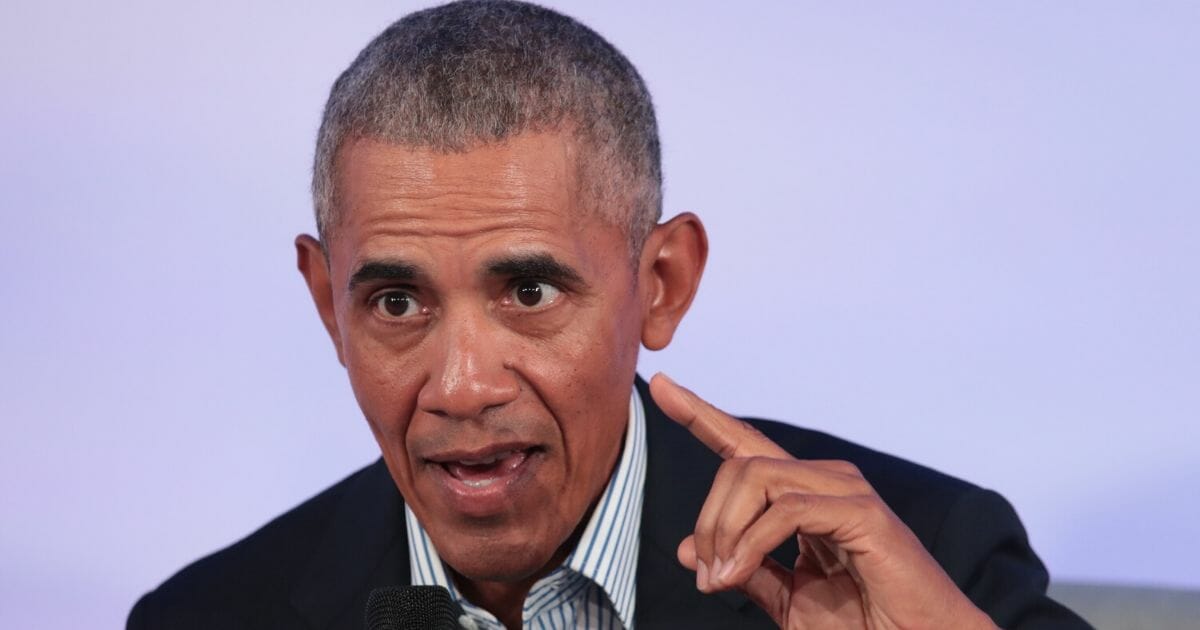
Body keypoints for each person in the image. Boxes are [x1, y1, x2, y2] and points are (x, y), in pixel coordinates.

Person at [128, 1, 1090, 628]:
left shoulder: (933, 561)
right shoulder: (211, 616)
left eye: (530, 292)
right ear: (325, 306)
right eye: (395, 300)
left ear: (663, 281)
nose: (462, 385)